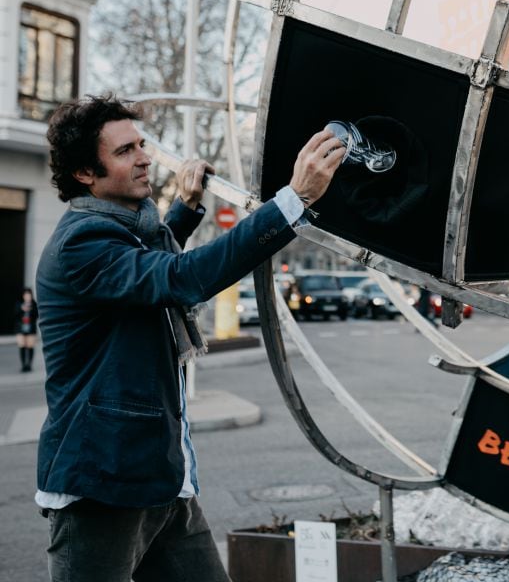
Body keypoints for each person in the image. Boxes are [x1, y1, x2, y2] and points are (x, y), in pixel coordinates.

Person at [34, 94, 346, 582]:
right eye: (123, 152)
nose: (143, 157)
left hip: (162, 480)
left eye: (141, 144)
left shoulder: (121, 231)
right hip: (102, 487)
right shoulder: (81, 242)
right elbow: (177, 278)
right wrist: (293, 199)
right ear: (84, 174)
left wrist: (184, 208)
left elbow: (146, 268)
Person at [15, 287, 38, 372]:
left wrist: (30, 310)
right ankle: (23, 365)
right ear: (23, 296)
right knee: (22, 346)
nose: (27, 296)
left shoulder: (34, 304)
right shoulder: (19, 304)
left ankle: (29, 365)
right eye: (26, 295)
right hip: (20, 328)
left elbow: (37, 315)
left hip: (31, 328)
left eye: (29, 295)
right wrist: (22, 309)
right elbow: (15, 315)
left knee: (30, 346)